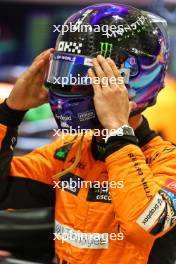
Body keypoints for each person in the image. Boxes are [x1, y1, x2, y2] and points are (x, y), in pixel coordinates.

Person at [0, 3, 176, 264]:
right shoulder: (69, 152)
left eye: (83, 78)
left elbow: (144, 225)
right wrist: (9, 113)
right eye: (64, 75)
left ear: (127, 85)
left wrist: (117, 131)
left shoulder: (167, 163)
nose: (68, 90)